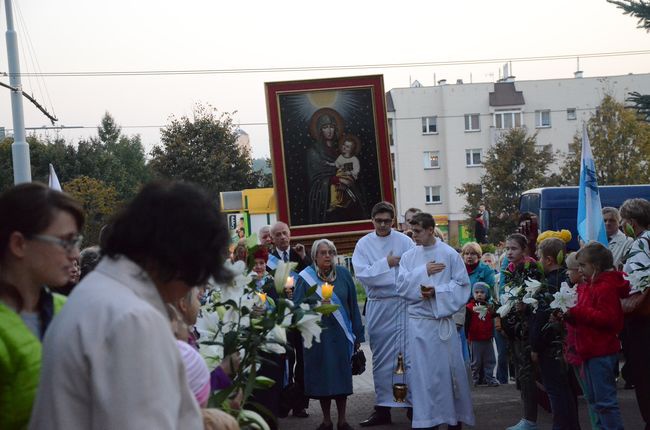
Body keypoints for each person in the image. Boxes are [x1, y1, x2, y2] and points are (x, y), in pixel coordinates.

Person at [30, 181, 231, 429]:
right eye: (197, 274)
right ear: (176, 260)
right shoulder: (133, 318)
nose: (194, 287)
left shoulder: (100, 295)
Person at [0, 183, 84, 430]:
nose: (76, 254)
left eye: (76, 242)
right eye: (66, 242)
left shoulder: (69, 309)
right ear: (19, 244)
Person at [397, 212, 474, 429]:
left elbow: (462, 285)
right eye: (412, 231)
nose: (414, 236)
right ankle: (427, 419)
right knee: (423, 376)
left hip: (442, 325)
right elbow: (401, 287)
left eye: (418, 231)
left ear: (431, 230)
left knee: (448, 373)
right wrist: (423, 271)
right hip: (419, 325)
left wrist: (437, 292)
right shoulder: (409, 257)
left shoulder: (449, 254)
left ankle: (452, 419)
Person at [352, 202, 415, 426]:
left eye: (387, 220)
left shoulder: (405, 241)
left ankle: (410, 404)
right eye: (378, 220)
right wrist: (386, 264)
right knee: (381, 358)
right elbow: (363, 275)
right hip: (379, 305)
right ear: (372, 220)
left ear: (393, 220)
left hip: (402, 304)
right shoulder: (364, 244)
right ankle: (383, 407)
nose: (382, 224)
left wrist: (390, 276)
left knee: (406, 356)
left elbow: (412, 271)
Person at [293, 239, 365, 430]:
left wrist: (358, 335)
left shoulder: (342, 274)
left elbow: (352, 307)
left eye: (331, 253)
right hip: (317, 336)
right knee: (323, 377)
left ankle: (342, 419)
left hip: (341, 336)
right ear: (315, 256)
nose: (327, 256)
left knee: (341, 376)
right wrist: (316, 309)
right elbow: (297, 309)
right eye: (323, 253)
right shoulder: (305, 278)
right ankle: (326, 420)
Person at [565, 242, 629, 430]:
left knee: (605, 403)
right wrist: (570, 316)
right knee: (594, 401)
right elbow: (584, 315)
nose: (580, 270)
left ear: (596, 266)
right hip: (590, 351)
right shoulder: (591, 286)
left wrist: (578, 313)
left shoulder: (605, 288)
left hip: (601, 352)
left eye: (583, 266)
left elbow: (610, 320)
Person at [530, 237, 580, 430]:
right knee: (567, 391)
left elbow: (540, 319)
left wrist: (535, 346)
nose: (538, 261)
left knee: (556, 392)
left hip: (550, 348)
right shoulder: (567, 281)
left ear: (549, 260)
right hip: (566, 346)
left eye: (540, 257)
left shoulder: (549, 285)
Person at [269, 221, 311, 417]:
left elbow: (313, 275)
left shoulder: (299, 255)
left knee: (302, 359)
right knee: (285, 359)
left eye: (285, 233)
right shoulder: (268, 260)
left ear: (290, 234)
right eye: (278, 235)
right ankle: (283, 402)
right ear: (272, 238)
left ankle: (300, 404)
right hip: (280, 316)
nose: (283, 237)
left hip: (300, 314)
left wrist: (303, 256)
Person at [501, 233, 540, 430]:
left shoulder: (530, 267)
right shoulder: (510, 268)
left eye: (513, 248)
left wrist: (522, 305)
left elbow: (533, 297)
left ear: (524, 250)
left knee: (527, 375)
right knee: (523, 375)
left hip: (527, 329)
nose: (509, 252)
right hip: (515, 330)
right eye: (507, 248)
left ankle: (530, 419)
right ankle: (528, 417)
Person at [619, 198, 650, 430]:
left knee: (644, 374)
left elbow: (639, 280)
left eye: (623, 222)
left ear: (631, 222)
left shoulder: (641, 244)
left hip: (642, 317)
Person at [465, 282, 499, 387]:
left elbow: (495, 316)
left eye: (482, 292)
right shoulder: (469, 307)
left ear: (486, 294)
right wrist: (467, 337)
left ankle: (489, 378)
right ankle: (474, 379)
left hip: (488, 339)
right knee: (476, 362)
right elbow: (466, 323)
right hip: (475, 339)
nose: (479, 294)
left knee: (490, 360)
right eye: (476, 292)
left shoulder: (489, 307)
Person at [328, 135, 361, 212]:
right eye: (343, 145)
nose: (344, 147)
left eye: (347, 146)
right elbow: (336, 164)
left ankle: (345, 185)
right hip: (340, 176)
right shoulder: (340, 157)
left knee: (336, 180)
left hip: (349, 177)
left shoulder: (354, 159)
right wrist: (329, 164)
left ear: (352, 150)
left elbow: (356, 171)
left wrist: (349, 172)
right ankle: (334, 203)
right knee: (333, 186)